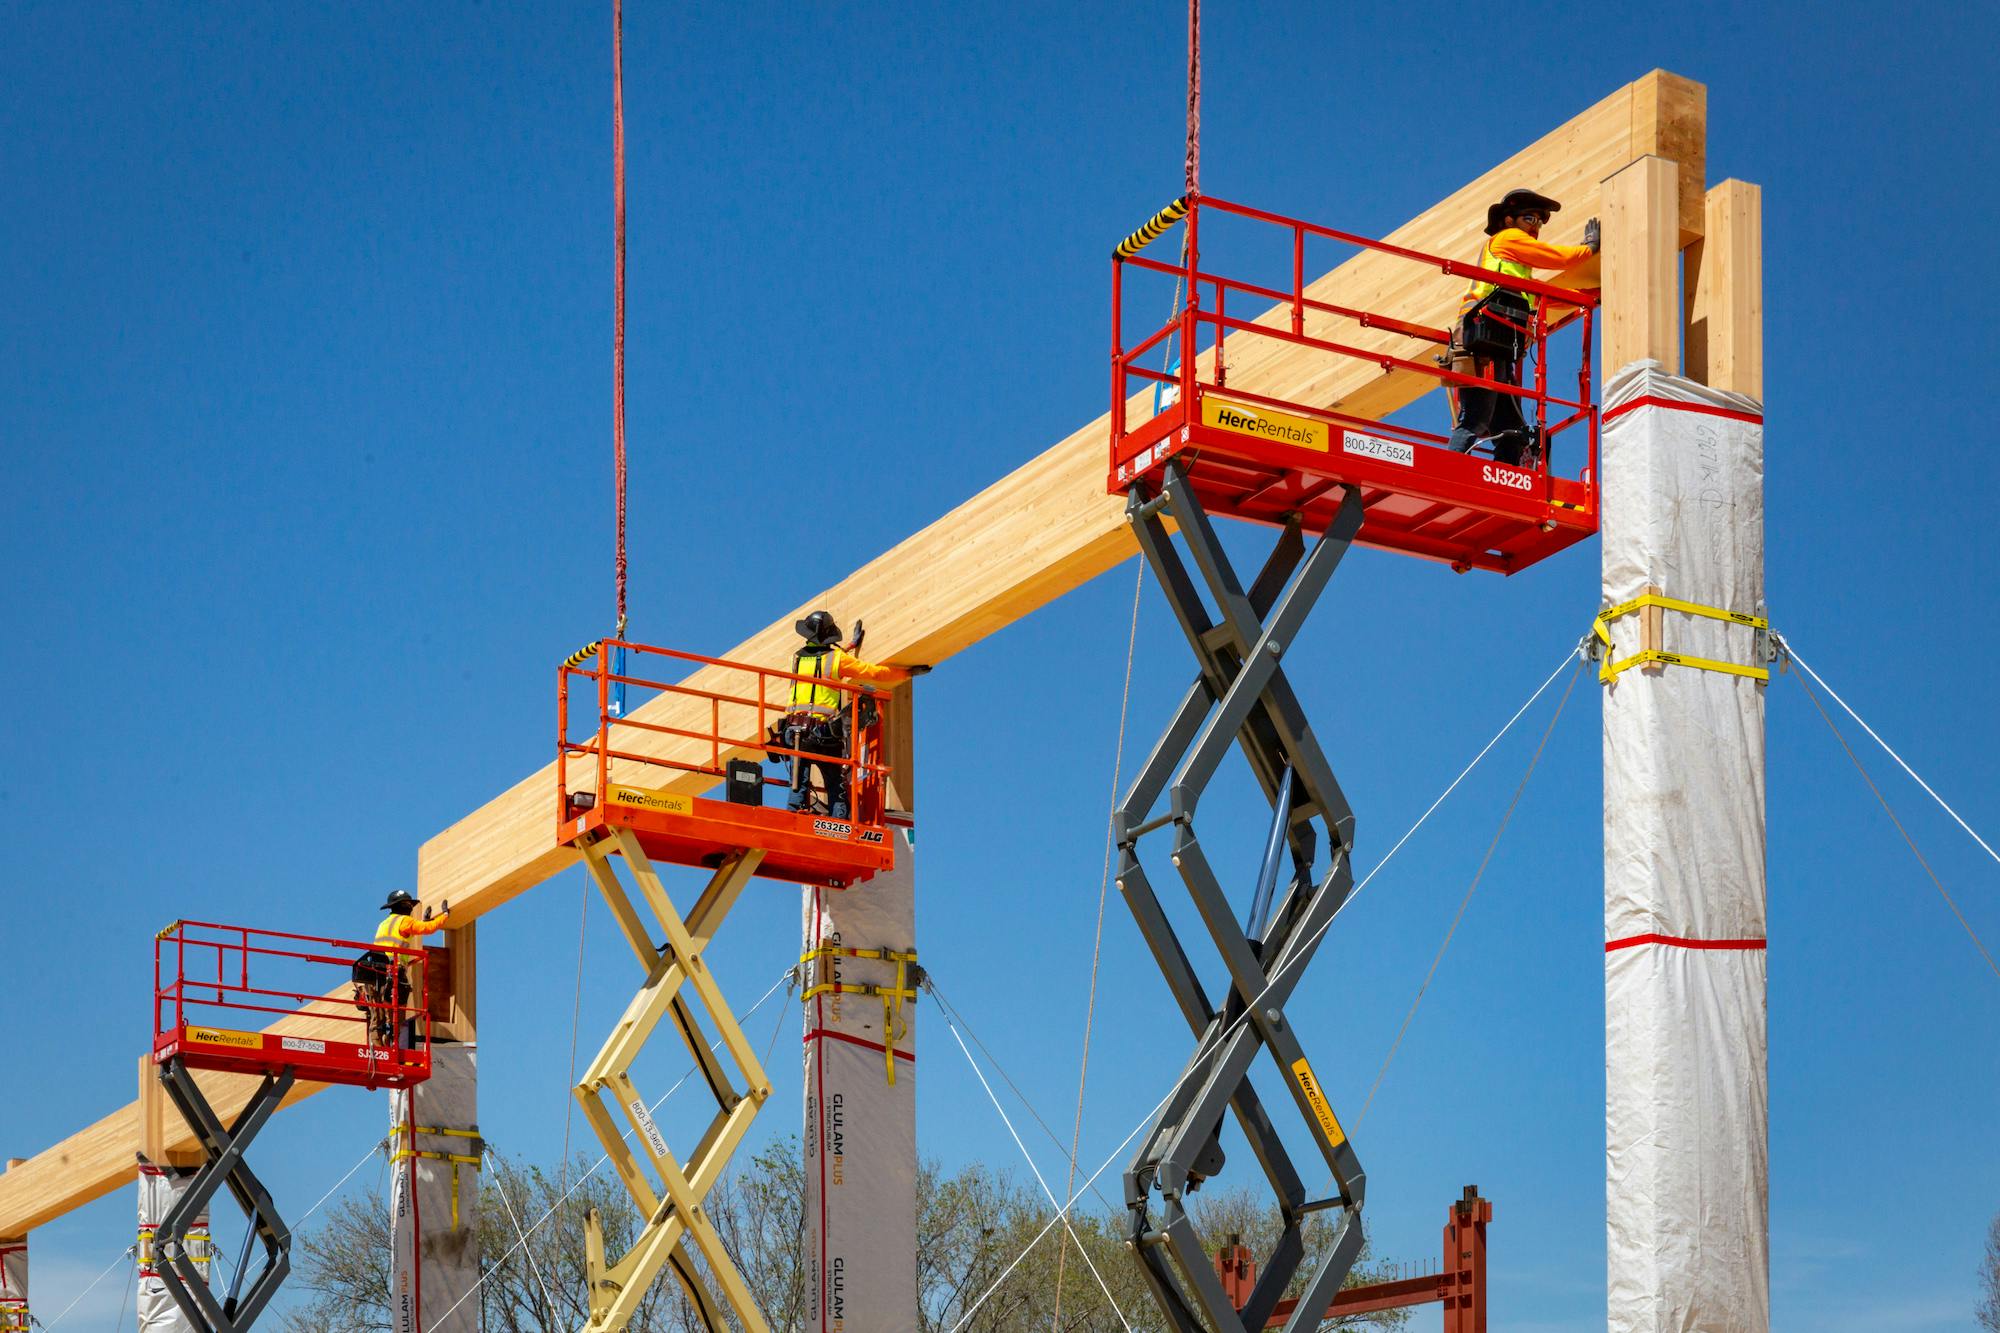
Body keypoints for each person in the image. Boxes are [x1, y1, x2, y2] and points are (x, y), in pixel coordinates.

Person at [1446, 188, 1599, 465]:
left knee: (1511, 428)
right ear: (1508, 221)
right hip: (1481, 335)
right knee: (1477, 417)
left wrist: (1592, 296)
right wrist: (1588, 249)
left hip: (1498, 342)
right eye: (1530, 219)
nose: (1535, 228)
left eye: (1539, 223)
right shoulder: (1506, 239)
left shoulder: (1515, 270)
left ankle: (1504, 481)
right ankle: (1445, 474)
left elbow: (1544, 296)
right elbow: (1559, 257)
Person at [780, 610, 926, 819]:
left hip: (793, 732)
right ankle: (839, 823)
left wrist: (848, 647)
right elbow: (874, 672)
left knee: (798, 784)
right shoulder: (837, 659)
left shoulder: (797, 658)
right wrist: (907, 673)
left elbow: (821, 659)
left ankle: (791, 820)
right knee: (835, 784)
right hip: (820, 733)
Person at [354, 891, 450, 1049]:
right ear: (405, 906)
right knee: (395, 1016)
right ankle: (392, 1048)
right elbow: (428, 929)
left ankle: (378, 1050)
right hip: (392, 973)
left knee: (377, 1015)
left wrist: (424, 922)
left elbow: (404, 935)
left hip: (374, 973)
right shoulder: (405, 921)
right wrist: (445, 915)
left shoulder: (384, 923)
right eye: (409, 906)